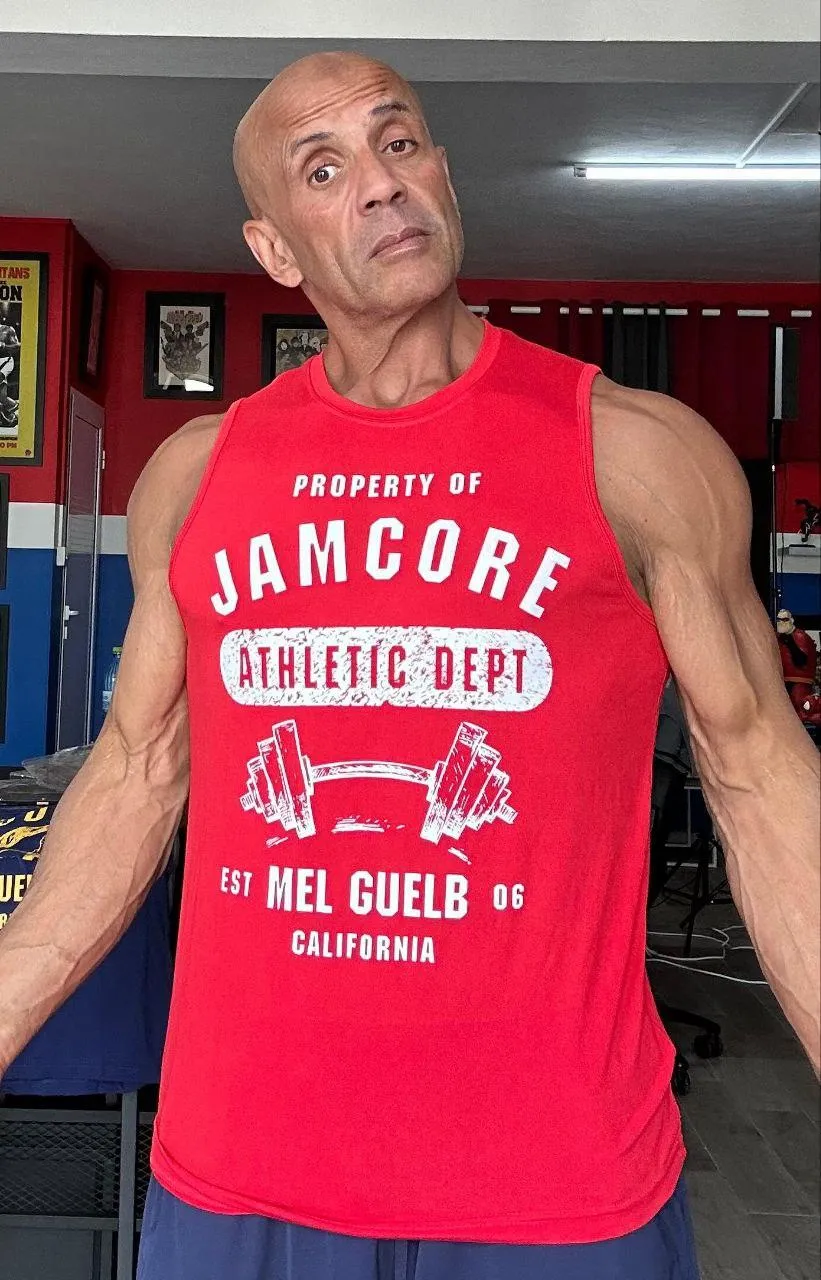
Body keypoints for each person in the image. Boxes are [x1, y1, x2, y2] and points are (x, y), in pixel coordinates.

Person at [0, 51, 818, 1280]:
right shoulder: (198, 475)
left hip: (555, 1177)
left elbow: (757, 775)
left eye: (397, 143)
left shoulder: (637, 453)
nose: (380, 183)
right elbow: (136, 770)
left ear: (442, 174)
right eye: (323, 170)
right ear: (274, 248)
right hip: (243, 1163)